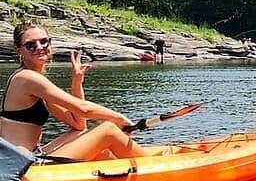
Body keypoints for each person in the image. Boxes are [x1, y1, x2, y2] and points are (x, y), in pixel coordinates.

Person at [1, 20, 150, 161]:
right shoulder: (27, 78)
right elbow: (83, 109)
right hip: (22, 165)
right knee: (109, 130)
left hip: (33, 154)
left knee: (86, 137)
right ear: (18, 50)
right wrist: (120, 118)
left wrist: (76, 82)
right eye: (31, 45)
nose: (39, 47)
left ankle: (126, 177)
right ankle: (152, 168)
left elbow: (78, 124)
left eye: (43, 41)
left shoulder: (36, 81)